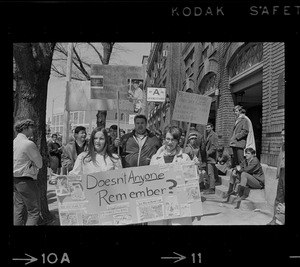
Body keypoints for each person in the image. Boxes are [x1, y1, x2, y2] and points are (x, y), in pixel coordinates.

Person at [149, 125, 193, 225]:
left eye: (173, 139)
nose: (170, 142)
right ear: (164, 139)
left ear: (178, 141)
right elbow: (150, 182)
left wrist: (195, 170)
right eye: (167, 139)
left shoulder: (185, 158)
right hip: (159, 202)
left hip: (179, 202)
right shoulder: (155, 158)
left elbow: (191, 182)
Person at [13, 119, 43, 225]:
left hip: (16, 180)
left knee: (18, 210)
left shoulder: (14, 142)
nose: (33, 129)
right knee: (34, 212)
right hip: (27, 180)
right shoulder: (28, 144)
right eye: (31, 127)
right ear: (25, 128)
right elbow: (40, 163)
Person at [268, 128, 285, 225]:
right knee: (279, 197)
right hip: (282, 172)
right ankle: (275, 219)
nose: (282, 137)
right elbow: (280, 159)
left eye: (284, 135)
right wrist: (278, 173)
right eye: (282, 135)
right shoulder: (282, 146)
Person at [202, 123, 219, 195]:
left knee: (210, 173)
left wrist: (207, 153)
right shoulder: (208, 135)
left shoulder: (214, 135)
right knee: (209, 172)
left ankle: (212, 188)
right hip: (208, 157)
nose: (207, 129)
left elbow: (215, 147)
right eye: (206, 127)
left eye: (209, 127)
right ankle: (210, 186)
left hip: (211, 157)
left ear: (212, 127)